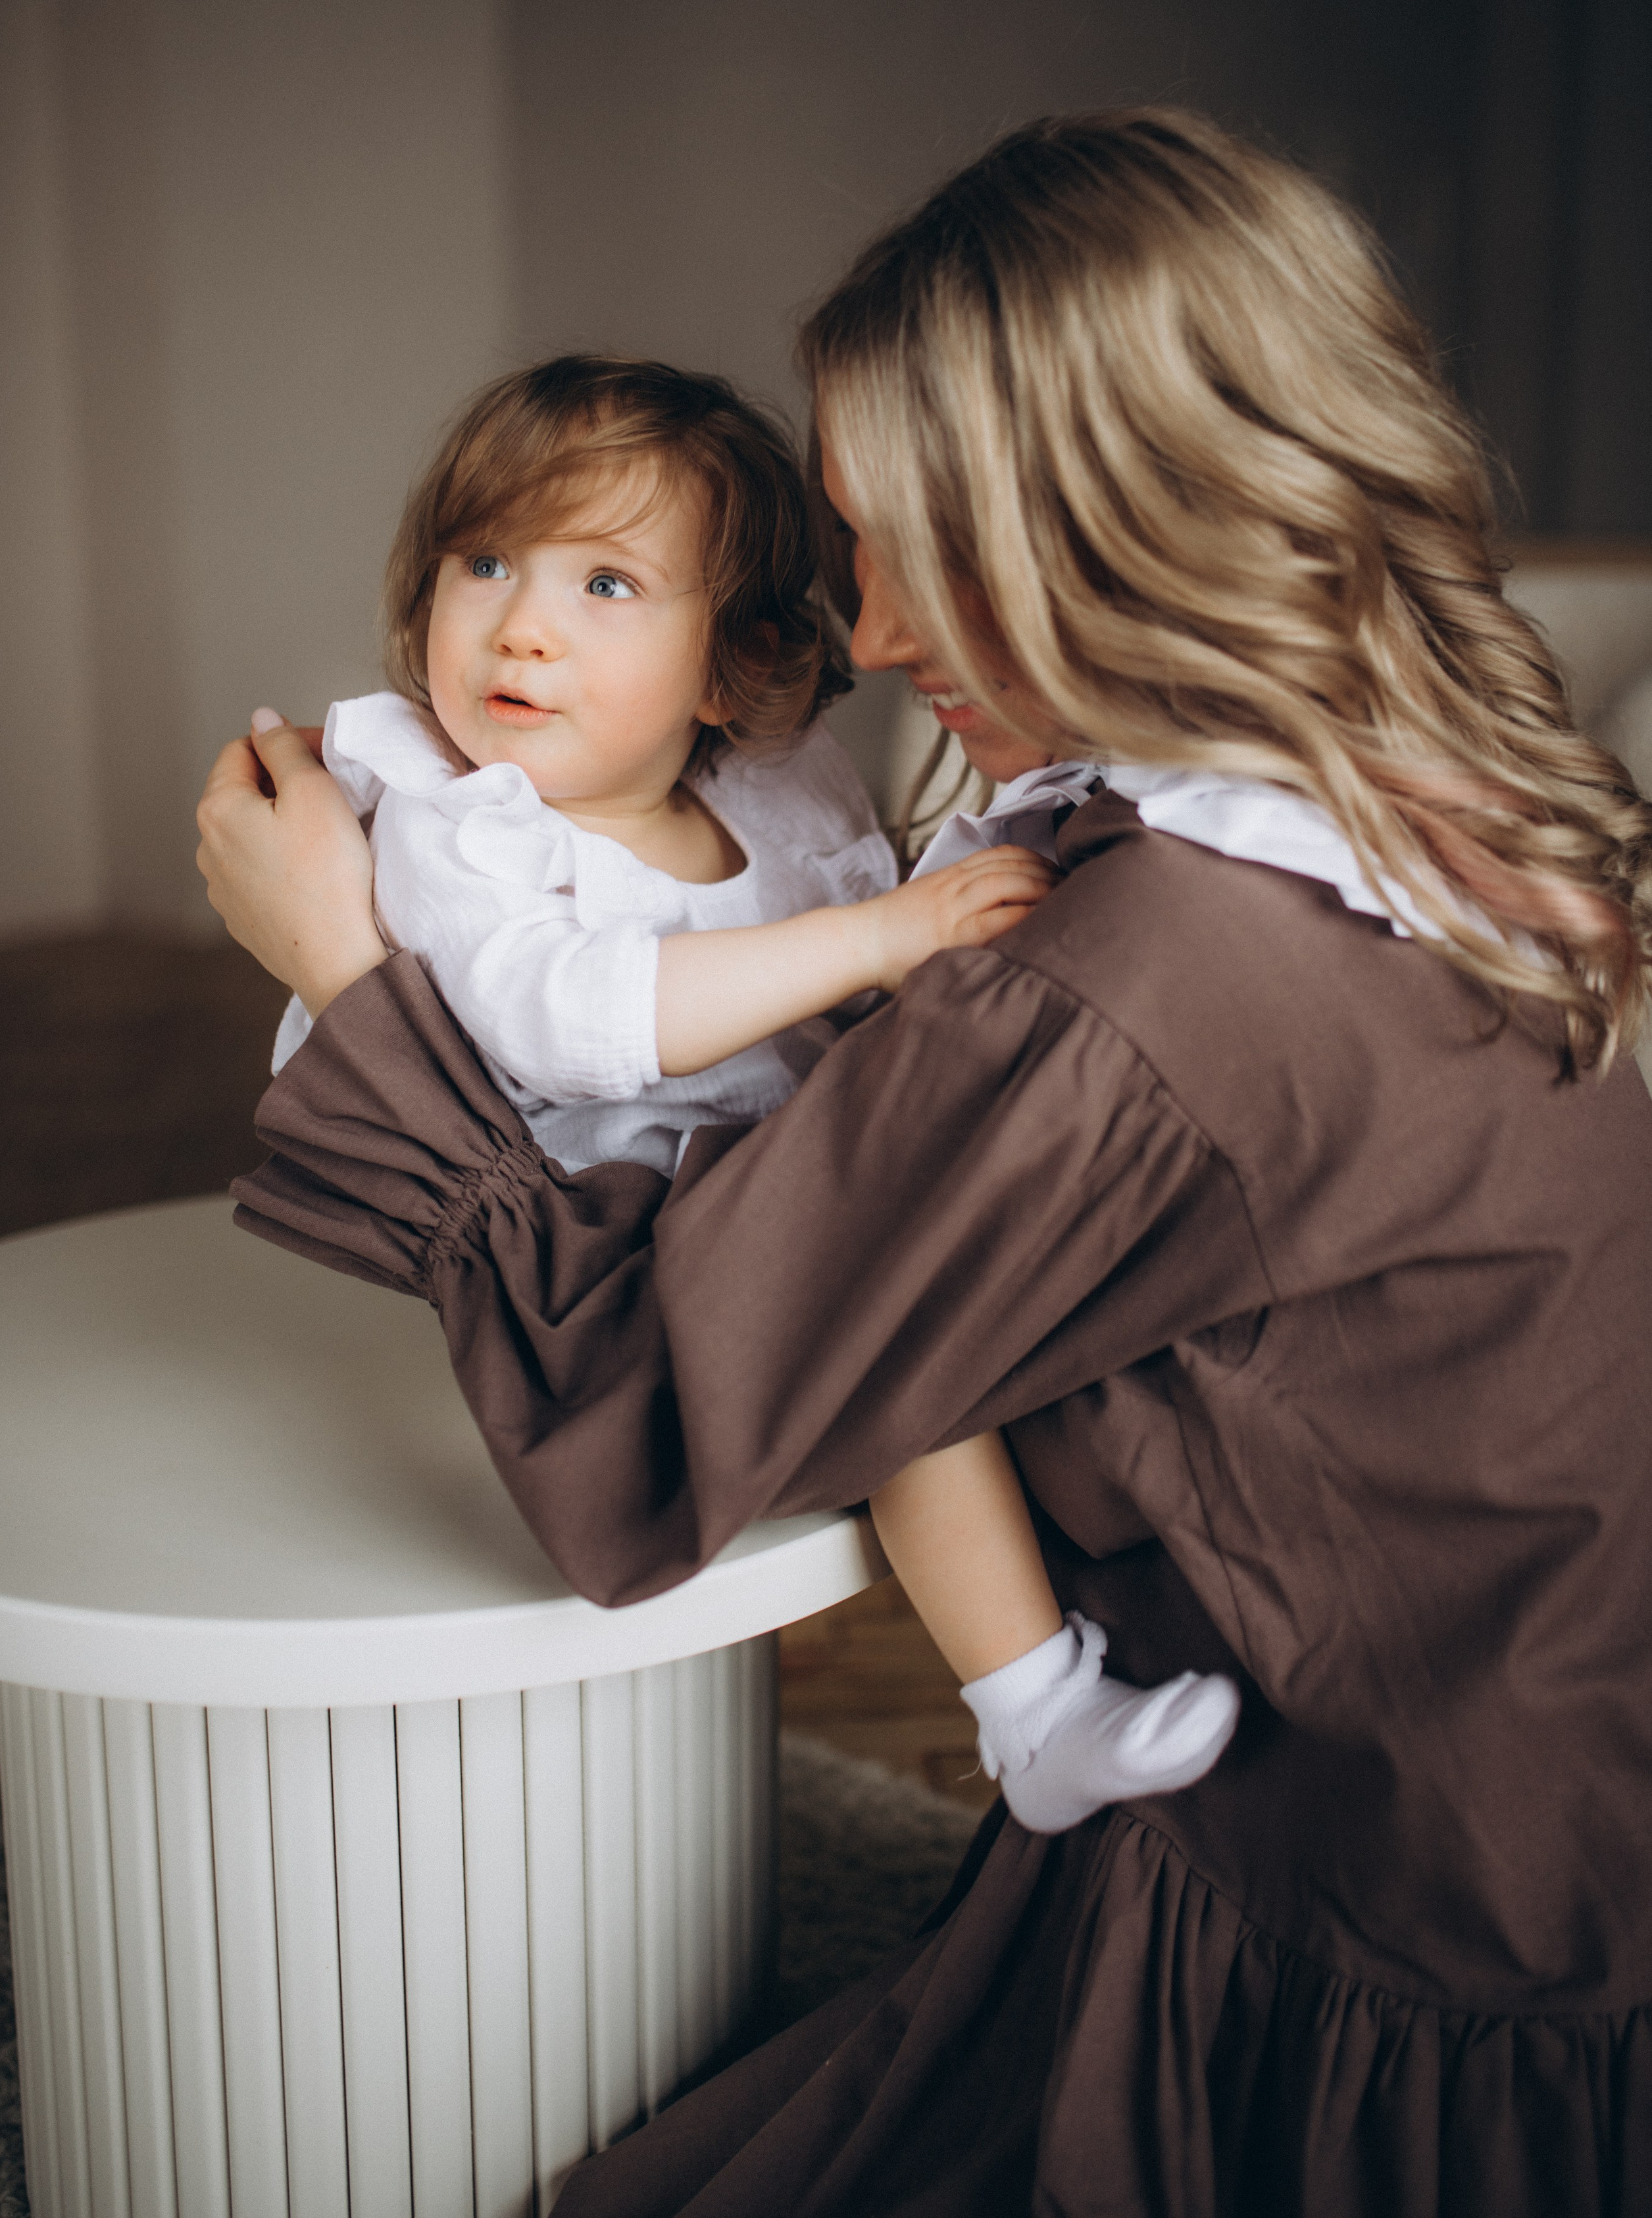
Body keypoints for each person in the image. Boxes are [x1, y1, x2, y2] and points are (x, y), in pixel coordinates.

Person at [197, 109, 1652, 2216]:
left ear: (1111, 527)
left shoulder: (1138, 977)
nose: (871, 636)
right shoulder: (1426, 794)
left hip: (1402, 1923)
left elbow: (632, 1431)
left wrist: (343, 968)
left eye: (910, 548)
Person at [263, 350, 1238, 1832]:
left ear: (727, 668)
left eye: (606, 586)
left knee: (937, 1347)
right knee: (907, 1383)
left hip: (754, 1191)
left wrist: (927, 965)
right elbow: (562, 1023)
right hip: (588, 1248)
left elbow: (845, 980)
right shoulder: (456, 823)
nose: (522, 625)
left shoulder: (772, 785)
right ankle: (1032, 1712)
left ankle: (1079, 1654)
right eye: (485, 562)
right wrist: (882, 938)